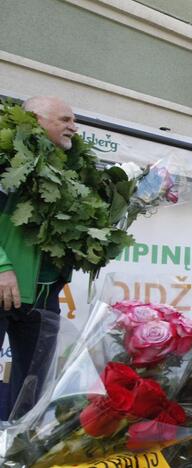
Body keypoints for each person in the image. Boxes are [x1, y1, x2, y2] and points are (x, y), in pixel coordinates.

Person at [0, 96, 77, 418]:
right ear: (35, 119)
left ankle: (14, 453)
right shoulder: (6, 159)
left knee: (31, 388)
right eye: (65, 119)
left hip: (44, 296)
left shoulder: (67, 171)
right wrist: (2, 266)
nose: (74, 127)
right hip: (5, 286)